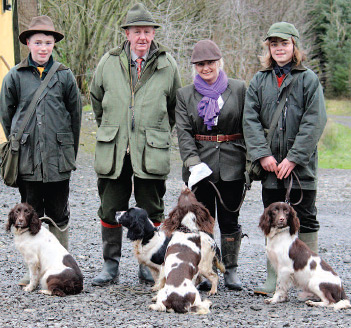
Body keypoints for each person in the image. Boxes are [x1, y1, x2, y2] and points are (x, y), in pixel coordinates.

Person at [90, 3, 181, 286]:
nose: (142, 37)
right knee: (110, 206)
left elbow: (175, 106)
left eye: (147, 31)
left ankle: (149, 262)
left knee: (152, 207)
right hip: (115, 148)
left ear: (153, 33)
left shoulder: (168, 64)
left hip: (150, 149)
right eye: (136, 31)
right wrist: (114, 128)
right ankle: (110, 265)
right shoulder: (108, 61)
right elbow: (96, 100)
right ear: (127, 34)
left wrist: (157, 133)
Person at [243, 22, 327, 295]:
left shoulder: (309, 80)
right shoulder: (259, 80)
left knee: (306, 219)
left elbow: (314, 122)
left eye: (284, 43)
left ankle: (308, 281)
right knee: (272, 220)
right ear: (269, 48)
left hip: (301, 167)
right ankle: (274, 280)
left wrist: (294, 158)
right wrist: (263, 155)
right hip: (270, 167)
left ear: (294, 46)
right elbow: (250, 119)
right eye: (274, 44)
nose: (279, 49)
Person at [0, 16, 82, 285]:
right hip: (27, 160)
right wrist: (20, 142)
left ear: (53, 44)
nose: (43, 47)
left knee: (59, 214)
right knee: (30, 211)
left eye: (48, 42)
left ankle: (60, 265)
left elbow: (75, 116)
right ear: (28, 43)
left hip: (58, 159)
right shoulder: (15, 76)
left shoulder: (65, 75)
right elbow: (6, 115)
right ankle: (33, 270)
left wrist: (67, 149)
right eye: (38, 42)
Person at [175, 40, 247, 290]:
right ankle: (205, 269)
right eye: (201, 64)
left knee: (229, 220)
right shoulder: (184, 95)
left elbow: (248, 126)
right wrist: (194, 163)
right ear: (195, 67)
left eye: (210, 63)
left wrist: (249, 163)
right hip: (200, 167)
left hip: (232, 162)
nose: (206, 68)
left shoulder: (239, 89)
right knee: (203, 221)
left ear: (220, 63)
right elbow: (183, 133)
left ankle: (231, 269)